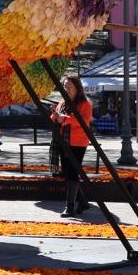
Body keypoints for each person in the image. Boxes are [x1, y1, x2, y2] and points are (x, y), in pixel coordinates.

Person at [51, 75, 94, 218]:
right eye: (64, 86)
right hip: (63, 140)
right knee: (68, 172)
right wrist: (55, 116)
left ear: (77, 88)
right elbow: (56, 118)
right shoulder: (63, 102)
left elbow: (83, 121)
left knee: (72, 173)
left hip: (77, 142)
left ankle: (69, 207)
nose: (66, 89)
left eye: (69, 86)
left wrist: (65, 119)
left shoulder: (85, 104)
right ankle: (82, 201)